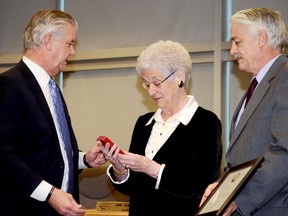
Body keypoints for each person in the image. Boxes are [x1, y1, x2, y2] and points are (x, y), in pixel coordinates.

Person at [0, 10, 107, 216]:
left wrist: (84, 159)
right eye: (70, 43)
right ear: (49, 40)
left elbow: (45, 152)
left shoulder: (51, 87)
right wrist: (49, 193)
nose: (73, 51)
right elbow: (4, 154)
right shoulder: (10, 84)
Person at [99, 40, 223, 216]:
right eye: (146, 84)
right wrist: (120, 169)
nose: (150, 92)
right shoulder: (144, 123)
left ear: (179, 76)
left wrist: (152, 168)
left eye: (156, 83)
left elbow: (202, 186)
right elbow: (133, 189)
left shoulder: (206, 122)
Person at [200, 8, 288, 216]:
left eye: (237, 42)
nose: (232, 51)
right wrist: (222, 188)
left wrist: (238, 198)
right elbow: (243, 157)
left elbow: (284, 152)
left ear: (261, 38)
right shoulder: (258, 85)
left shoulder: (284, 78)